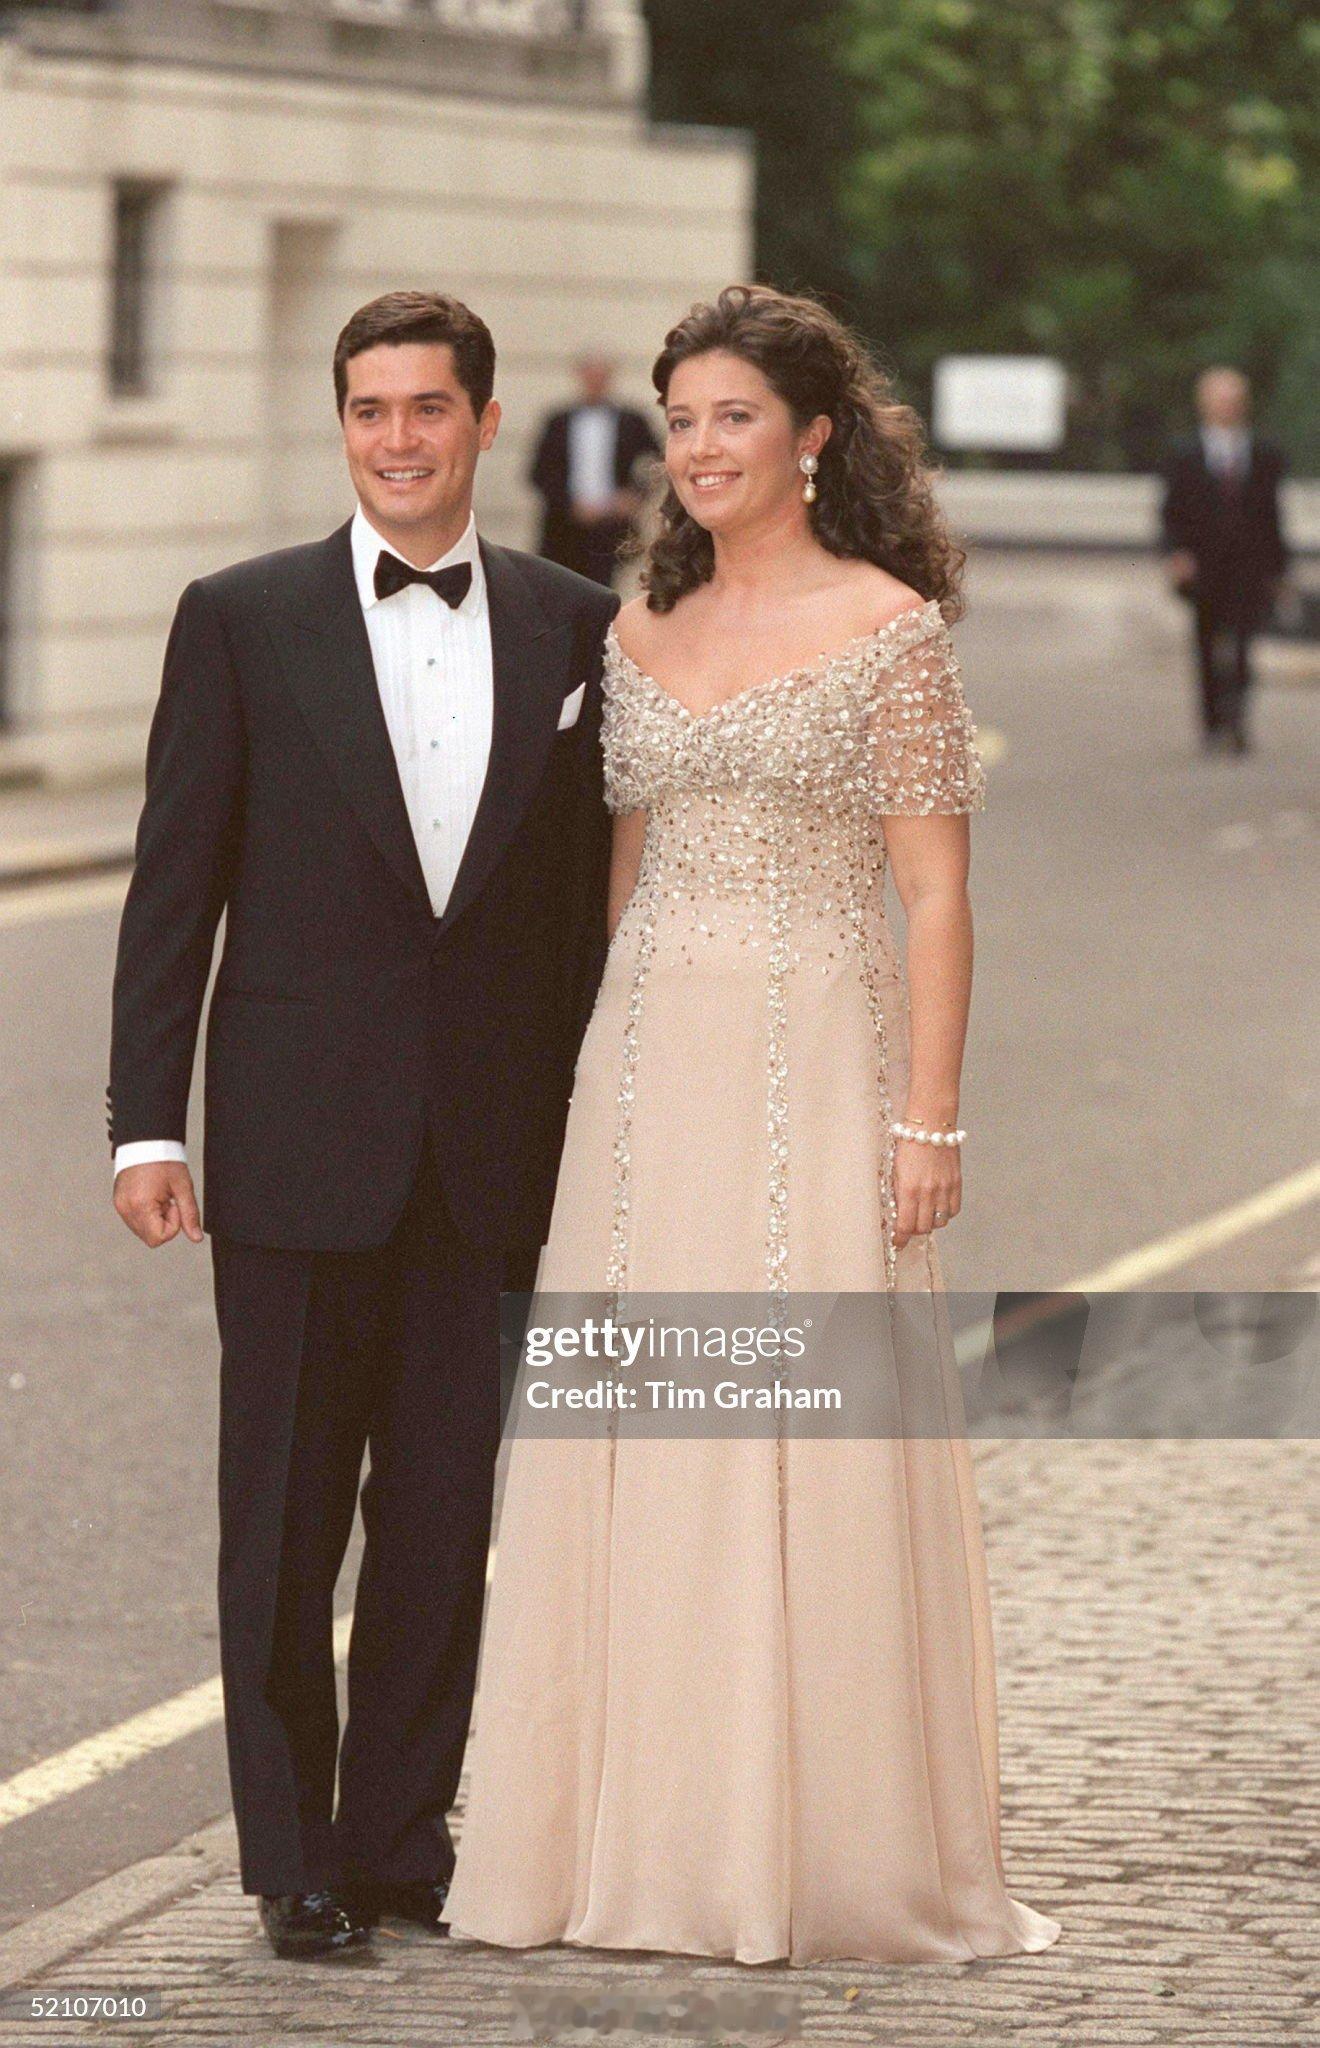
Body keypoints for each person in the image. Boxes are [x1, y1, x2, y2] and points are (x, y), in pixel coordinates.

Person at [445, 284, 1063, 1965]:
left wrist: (930, 1121)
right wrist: (583, 1077)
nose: (701, 448)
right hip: (646, 1081)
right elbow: (621, 881)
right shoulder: (637, 631)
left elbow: (936, 896)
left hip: (820, 1067)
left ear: (812, 436)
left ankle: (803, 1850)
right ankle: (629, 1842)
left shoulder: (890, 629)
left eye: (734, 417)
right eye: (682, 421)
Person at [106, 291, 619, 1958]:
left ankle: (402, 1836)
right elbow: (173, 886)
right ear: (343, 424)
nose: (398, 439)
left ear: (483, 420)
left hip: (490, 1155)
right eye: (369, 409)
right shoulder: (240, 618)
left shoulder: (579, 627)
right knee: (282, 1518)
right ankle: (293, 1854)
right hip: (292, 1149)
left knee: (444, 1524)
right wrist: (143, 1125)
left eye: (427, 407)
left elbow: (582, 918)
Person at [1160, 365, 1290, 755]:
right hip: (1204, 566)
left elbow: (1273, 515)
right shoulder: (1184, 453)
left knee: (1245, 647)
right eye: (1220, 399)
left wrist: (1280, 568)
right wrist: (1176, 554)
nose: (1227, 406)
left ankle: (1237, 722)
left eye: (1233, 400)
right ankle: (1212, 723)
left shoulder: (1264, 453)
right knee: (1206, 645)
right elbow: (1171, 511)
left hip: (1250, 567)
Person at [528, 352, 662, 586]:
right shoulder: (557, 421)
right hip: (564, 528)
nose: (595, 383)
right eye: (591, 376)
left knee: (607, 589)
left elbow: (659, 461)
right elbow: (539, 472)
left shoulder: (632, 421)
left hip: (614, 528)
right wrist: (570, 504)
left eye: (601, 376)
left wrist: (634, 495)